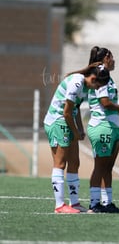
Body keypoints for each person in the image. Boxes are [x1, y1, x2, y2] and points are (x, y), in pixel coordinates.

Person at [44, 63, 110, 213]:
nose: (98, 89)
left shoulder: (85, 86)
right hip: (57, 121)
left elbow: (76, 108)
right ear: (93, 78)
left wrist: (80, 129)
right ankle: (59, 205)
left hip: (67, 122)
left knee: (74, 162)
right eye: (99, 86)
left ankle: (74, 203)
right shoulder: (76, 82)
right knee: (60, 164)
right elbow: (66, 112)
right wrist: (74, 131)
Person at [86, 46, 119, 213]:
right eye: (112, 56)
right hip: (102, 126)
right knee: (100, 166)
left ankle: (107, 202)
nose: (114, 60)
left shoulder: (108, 76)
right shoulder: (101, 72)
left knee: (107, 167)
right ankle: (94, 204)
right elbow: (105, 102)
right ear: (106, 58)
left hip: (111, 127)